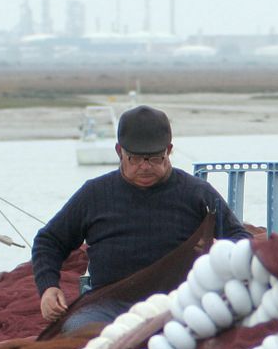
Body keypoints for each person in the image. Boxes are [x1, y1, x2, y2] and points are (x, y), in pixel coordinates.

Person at [33, 105, 249, 330]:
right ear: (119, 151)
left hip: (179, 301)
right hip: (108, 304)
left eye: (155, 158)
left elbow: (240, 239)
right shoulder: (94, 194)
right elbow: (49, 241)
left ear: (169, 150)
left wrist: (218, 248)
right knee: (79, 332)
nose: (145, 167)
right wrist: (48, 287)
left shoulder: (197, 193)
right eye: (135, 159)